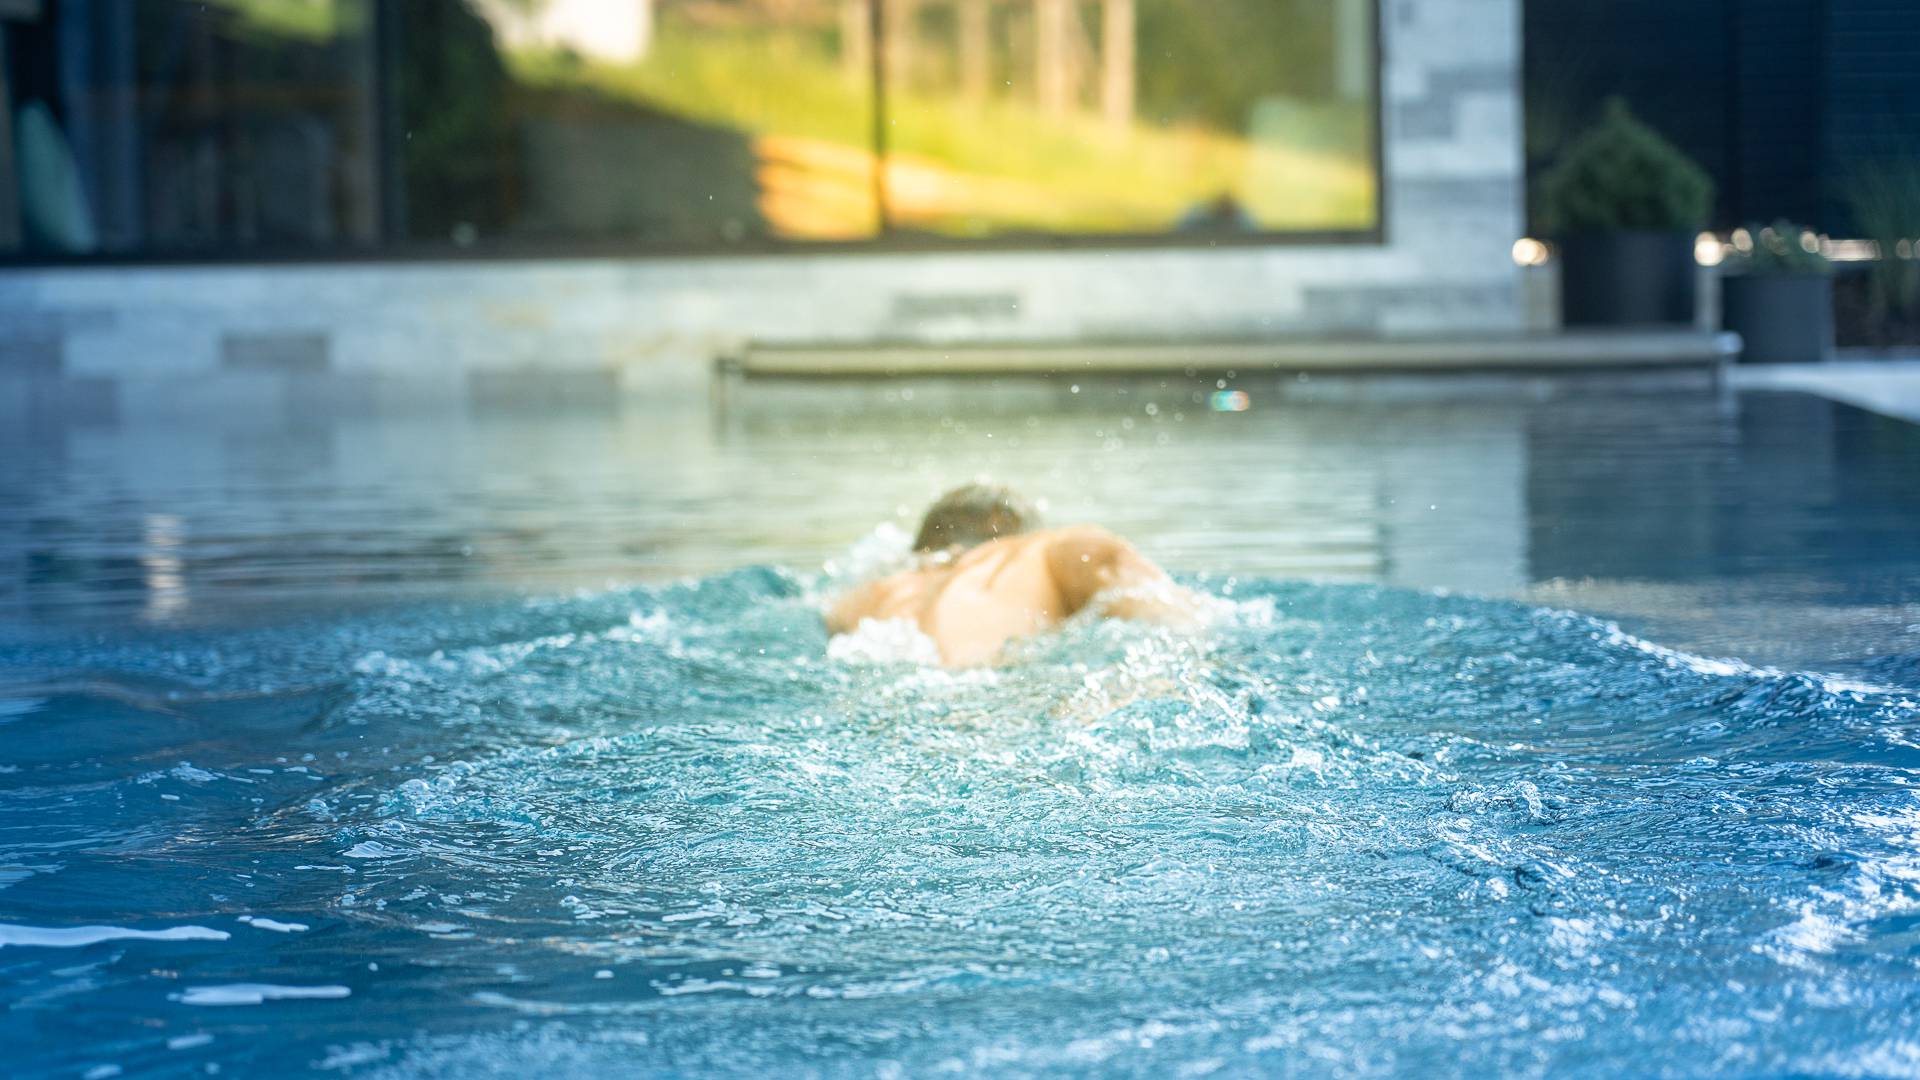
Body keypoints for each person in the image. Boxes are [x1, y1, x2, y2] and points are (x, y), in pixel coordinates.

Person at [826, 484, 1204, 667]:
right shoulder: (1052, 546)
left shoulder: (862, 598)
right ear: (1003, 523)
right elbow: (1169, 620)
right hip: (999, 701)